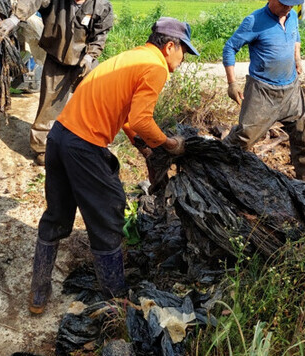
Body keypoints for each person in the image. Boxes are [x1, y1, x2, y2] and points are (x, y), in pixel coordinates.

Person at [28, 17, 199, 314]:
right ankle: (115, 298)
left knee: (57, 215)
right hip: (84, 147)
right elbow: (145, 120)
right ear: (170, 46)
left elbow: (129, 116)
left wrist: (140, 143)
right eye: (183, 51)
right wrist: (171, 145)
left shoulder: (132, 57)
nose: (182, 59)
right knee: (108, 215)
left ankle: (38, 292)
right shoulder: (156, 67)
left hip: (59, 138)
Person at [222, 0, 305, 189]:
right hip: (263, 92)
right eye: (283, 3)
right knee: (243, 139)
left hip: (292, 91)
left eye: (292, 3)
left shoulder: (292, 15)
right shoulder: (254, 21)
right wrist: (232, 84)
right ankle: (213, 165)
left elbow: (295, 37)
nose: (288, 8)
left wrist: (297, 58)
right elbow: (230, 48)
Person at [14, 0, 114, 165]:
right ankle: (41, 148)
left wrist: (89, 57)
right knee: (49, 105)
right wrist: (17, 16)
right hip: (57, 59)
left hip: (83, 62)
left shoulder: (101, 6)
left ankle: (89, 143)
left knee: (91, 103)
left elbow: (100, 35)